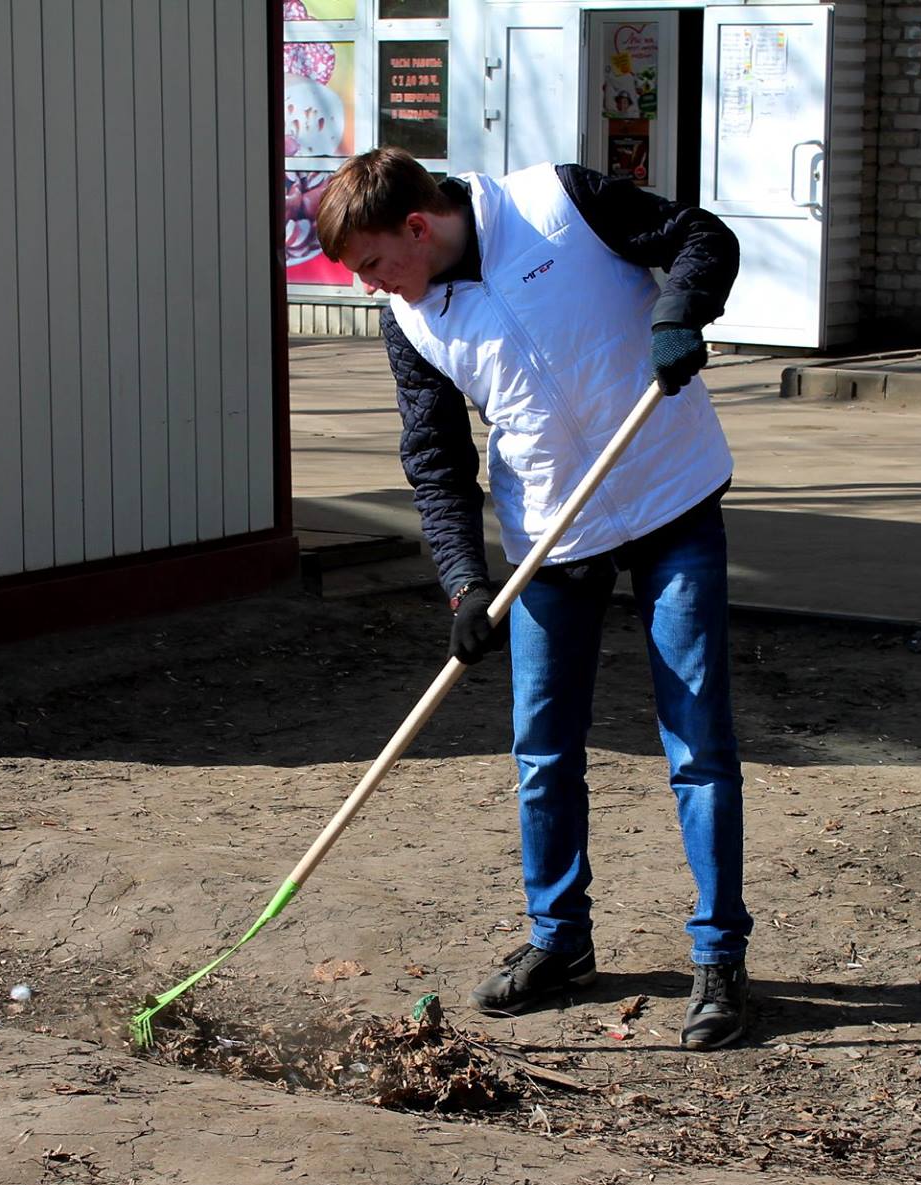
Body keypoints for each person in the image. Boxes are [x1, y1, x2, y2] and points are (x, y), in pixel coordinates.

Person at [313, 146, 752, 1049]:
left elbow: (701, 237)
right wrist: (464, 582)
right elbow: (434, 458)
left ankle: (719, 957)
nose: (368, 287)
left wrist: (680, 312)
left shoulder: (559, 202)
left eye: (370, 265)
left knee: (697, 738)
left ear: (417, 227)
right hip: (552, 536)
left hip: (670, 493)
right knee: (543, 749)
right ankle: (560, 943)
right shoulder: (413, 320)